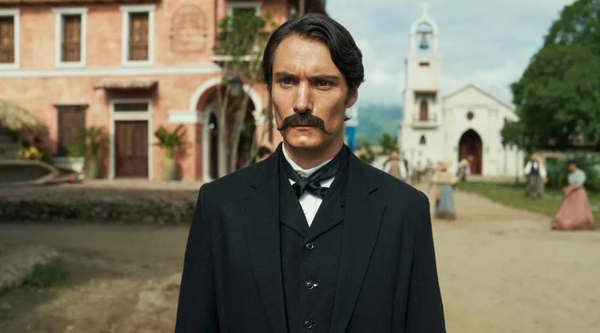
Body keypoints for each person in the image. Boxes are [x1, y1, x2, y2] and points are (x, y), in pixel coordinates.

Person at [175, 13, 445, 333]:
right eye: (287, 81)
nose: (302, 103)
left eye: (322, 83)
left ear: (351, 93)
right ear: (270, 88)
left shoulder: (405, 211)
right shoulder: (218, 205)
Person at [551, 160, 595, 230]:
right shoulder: (570, 175)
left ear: (575, 166)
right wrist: (567, 189)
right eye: (569, 166)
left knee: (579, 207)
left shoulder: (580, 173)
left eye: (571, 165)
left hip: (578, 192)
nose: (570, 167)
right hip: (571, 193)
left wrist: (570, 188)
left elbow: (579, 184)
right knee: (568, 207)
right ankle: (563, 222)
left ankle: (579, 222)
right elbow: (570, 183)